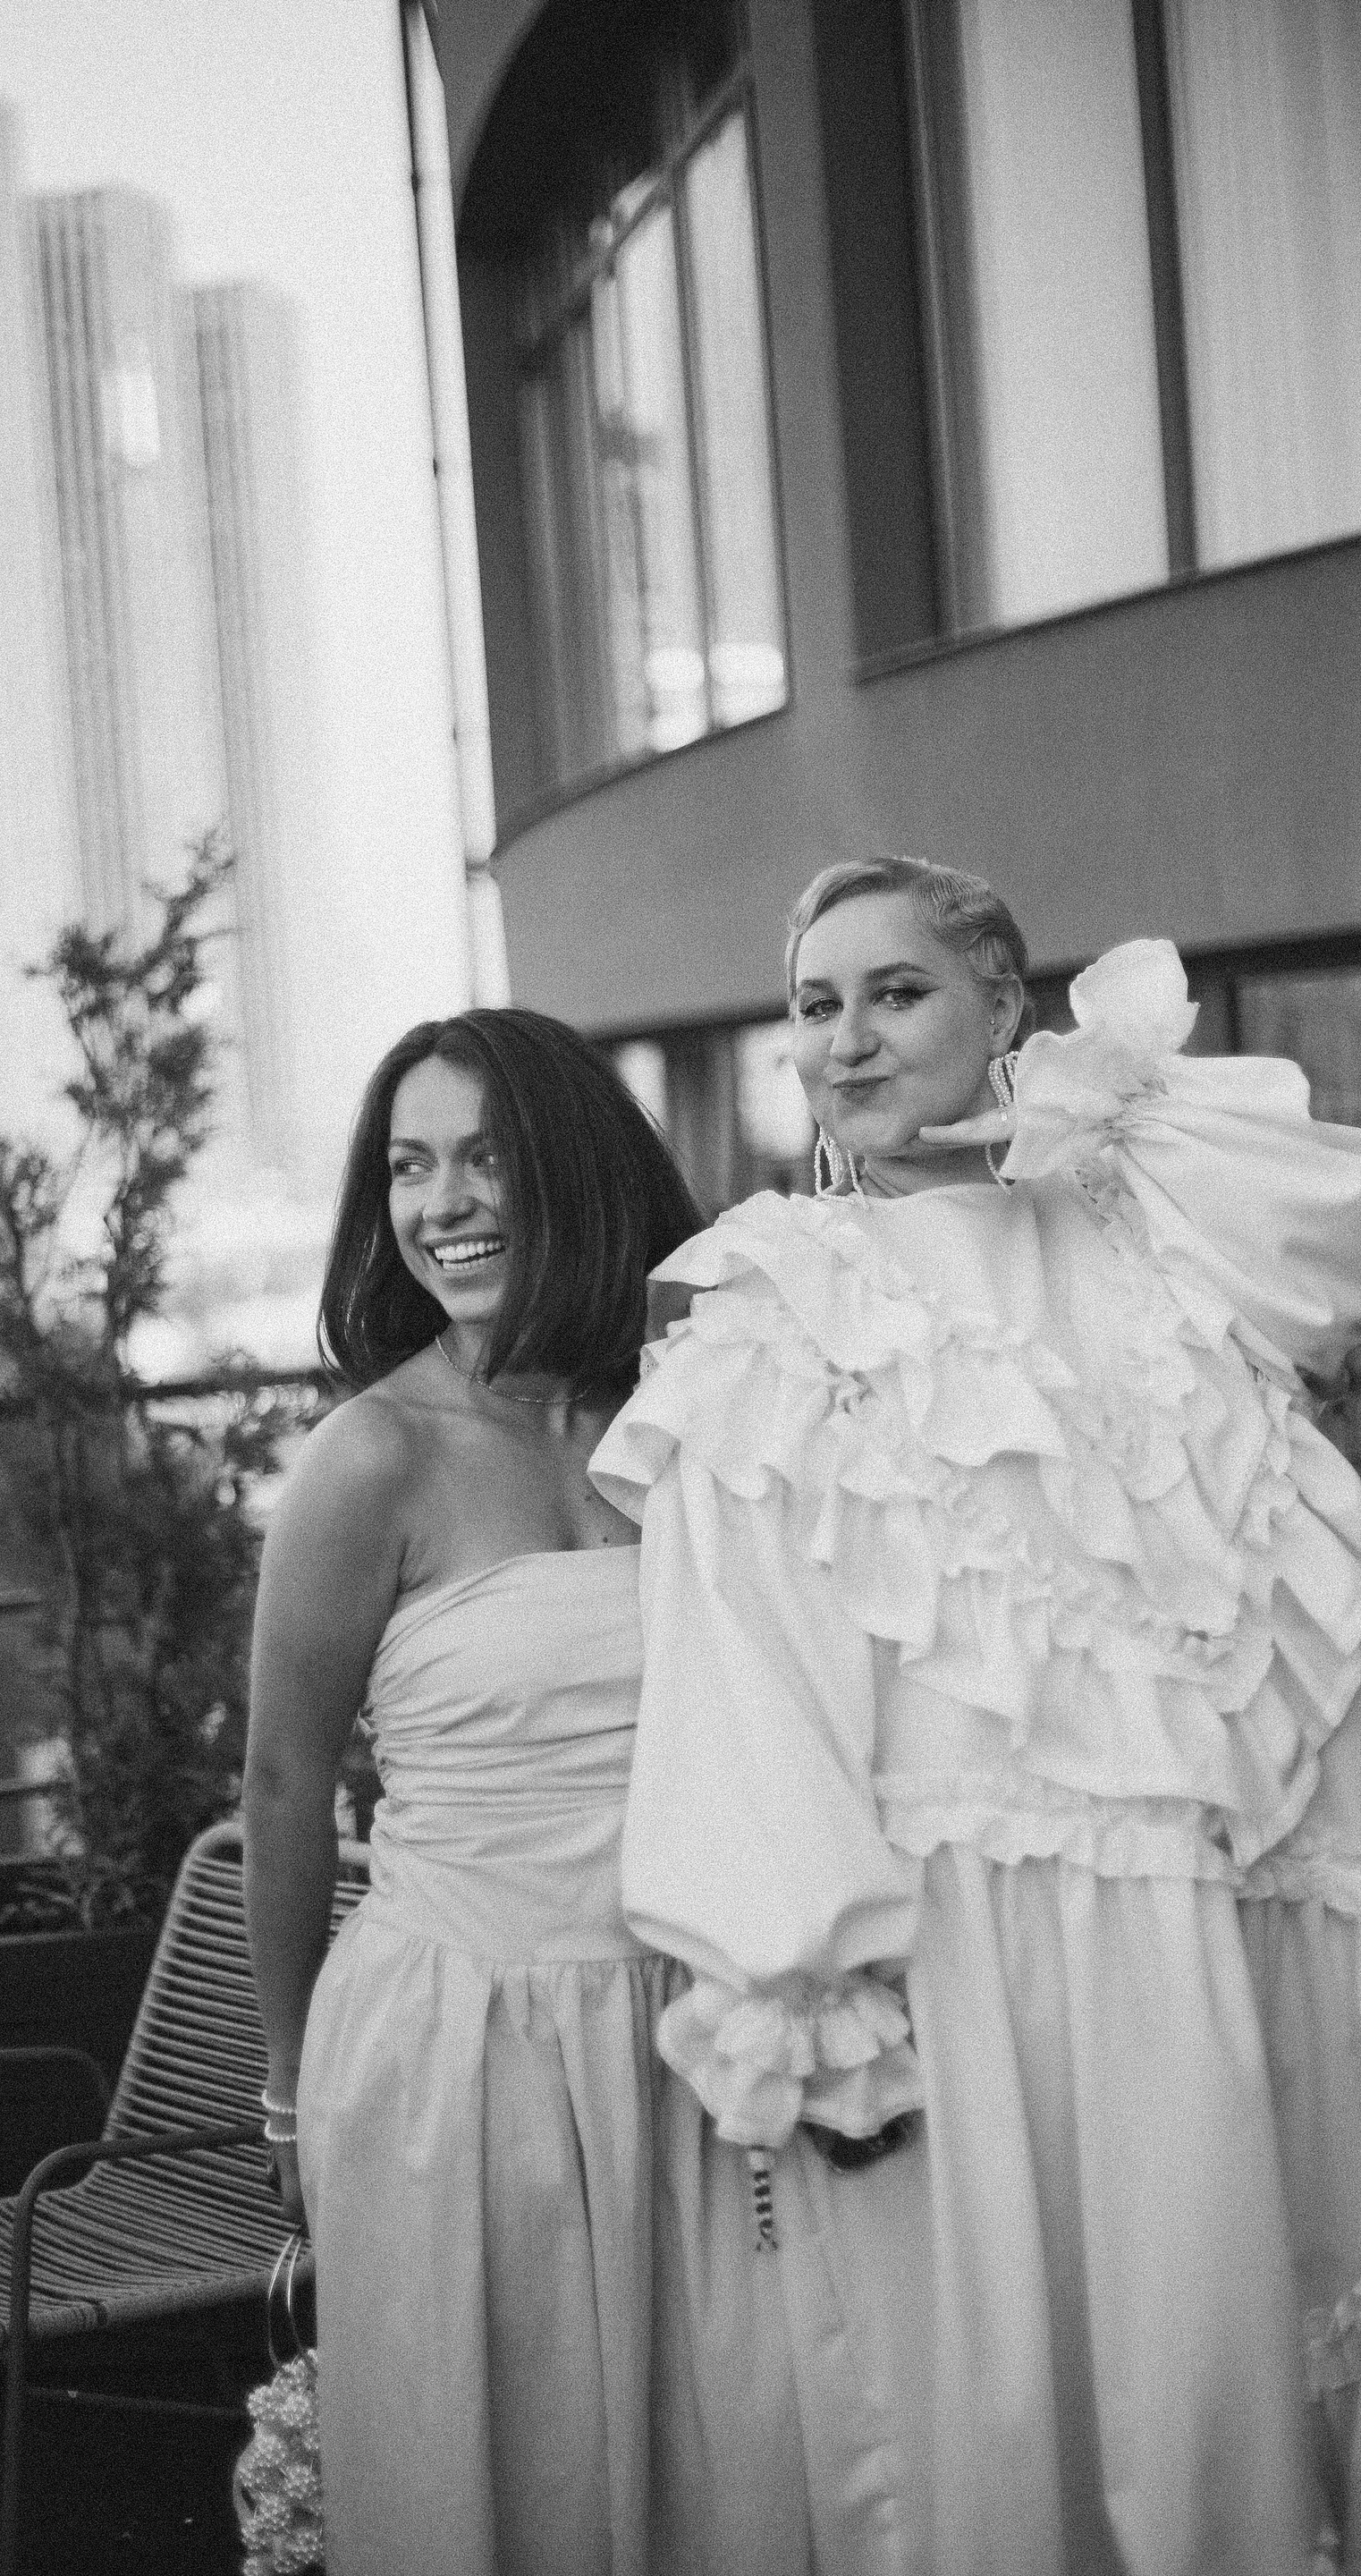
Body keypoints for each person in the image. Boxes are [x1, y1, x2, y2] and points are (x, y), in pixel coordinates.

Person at [590, 855, 1361, 2574]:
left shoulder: (1145, 1236)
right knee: (1001, 2437)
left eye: (899, 993)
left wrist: (1111, 1114)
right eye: (816, 1006)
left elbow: (1333, 1237)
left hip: (1210, 1928)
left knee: (1223, 2414)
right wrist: (805, 1984)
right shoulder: (773, 1296)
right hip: (953, 1961)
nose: (848, 1041)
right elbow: (739, 1663)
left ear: (1004, 1006)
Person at [242, 1005, 703, 2576]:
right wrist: (284, 2088)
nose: (443, 1204)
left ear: (576, 1166)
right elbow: (285, 1783)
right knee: (500, 2490)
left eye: (486, 1157)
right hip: (457, 2049)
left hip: (696, 2030)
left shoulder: (698, 1412)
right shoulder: (371, 1458)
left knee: (714, 2474)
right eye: (409, 1166)